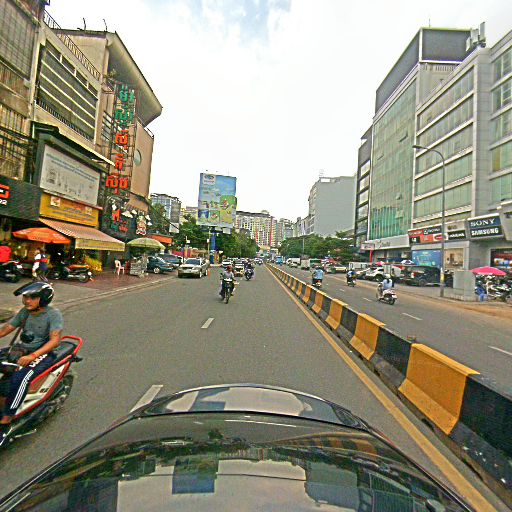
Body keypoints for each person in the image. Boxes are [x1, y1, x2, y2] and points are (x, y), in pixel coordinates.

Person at [0, 282, 63, 442]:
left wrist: (33, 356)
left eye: (32, 297)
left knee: (21, 378)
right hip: (22, 349)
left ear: (43, 299)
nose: (27, 301)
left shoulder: (53, 314)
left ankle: (7, 417)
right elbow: (8, 327)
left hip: (43, 352)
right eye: (26, 297)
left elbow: (55, 340)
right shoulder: (25, 312)